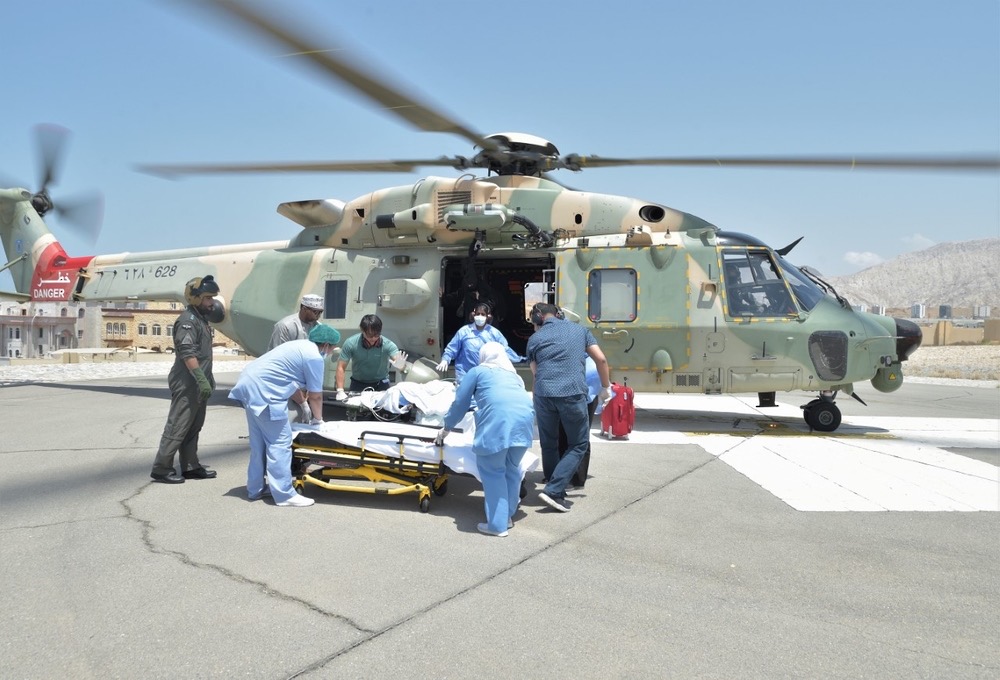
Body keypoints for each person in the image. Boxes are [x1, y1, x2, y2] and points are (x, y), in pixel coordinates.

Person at [228, 324, 340, 507]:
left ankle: (255, 489)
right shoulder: (314, 357)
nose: (331, 352)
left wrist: (303, 404)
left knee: (259, 444)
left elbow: (288, 381)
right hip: (265, 394)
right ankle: (284, 494)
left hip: (249, 386)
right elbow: (316, 395)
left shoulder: (298, 346)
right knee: (280, 443)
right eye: (332, 348)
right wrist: (318, 420)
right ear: (326, 344)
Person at [437, 342, 535, 537]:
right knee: (511, 469)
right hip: (523, 425)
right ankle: (507, 515)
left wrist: (446, 427)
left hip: (498, 424)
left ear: (483, 356)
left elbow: (460, 403)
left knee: (493, 472)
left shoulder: (477, 372)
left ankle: (497, 526)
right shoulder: (513, 375)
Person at [526, 302, 611, 512]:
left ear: (538, 318)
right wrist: (606, 387)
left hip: (544, 395)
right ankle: (554, 490)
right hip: (571, 393)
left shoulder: (534, 338)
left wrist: (537, 401)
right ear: (559, 314)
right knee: (578, 444)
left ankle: (554, 485)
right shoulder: (580, 331)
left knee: (549, 443)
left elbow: (536, 374)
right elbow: (601, 360)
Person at [150, 275, 223, 484]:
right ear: (195, 298)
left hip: (199, 382)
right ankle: (161, 468)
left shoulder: (201, 320)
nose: (212, 302)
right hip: (187, 382)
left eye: (212, 298)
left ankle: (190, 466)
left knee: (194, 426)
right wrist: (201, 379)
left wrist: (208, 379)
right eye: (208, 298)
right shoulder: (187, 321)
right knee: (178, 425)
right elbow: (187, 352)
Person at [267, 293, 334, 422]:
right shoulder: (285, 326)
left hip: (303, 386)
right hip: (283, 384)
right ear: (304, 308)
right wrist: (302, 402)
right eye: (315, 312)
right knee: (286, 421)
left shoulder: (318, 327)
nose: (318, 316)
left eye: (320, 312)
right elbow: (279, 364)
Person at [435, 302, 523, 384]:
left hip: (487, 375)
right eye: (478, 314)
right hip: (465, 374)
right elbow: (452, 348)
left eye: (483, 314)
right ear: (473, 315)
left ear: (488, 316)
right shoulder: (464, 331)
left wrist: (519, 359)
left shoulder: (494, 333)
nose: (480, 316)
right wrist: (445, 360)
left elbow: (505, 350)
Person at [553, 355, 601, 488]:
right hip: (587, 395)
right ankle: (577, 478)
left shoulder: (570, 353)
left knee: (565, 435)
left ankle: (567, 477)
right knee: (581, 437)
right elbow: (602, 362)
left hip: (571, 395)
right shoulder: (590, 355)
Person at [334, 314, 407, 400]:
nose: (373, 338)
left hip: (381, 383)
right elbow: (341, 367)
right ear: (362, 330)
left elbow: (397, 360)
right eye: (369, 335)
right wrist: (340, 390)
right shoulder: (351, 343)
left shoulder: (388, 345)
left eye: (377, 335)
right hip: (358, 383)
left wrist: (401, 366)